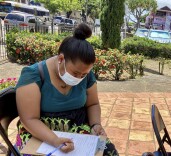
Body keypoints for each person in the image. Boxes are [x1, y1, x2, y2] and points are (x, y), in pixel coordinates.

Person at [15, 23, 118, 155]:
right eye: (75, 73)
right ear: (61, 59)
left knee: (108, 151)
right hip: (41, 131)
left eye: (84, 74)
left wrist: (95, 125)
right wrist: (54, 140)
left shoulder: (85, 74)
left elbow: (93, 103)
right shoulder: (33, 74)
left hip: (78, 126)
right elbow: (29, 119)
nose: (79, 78)